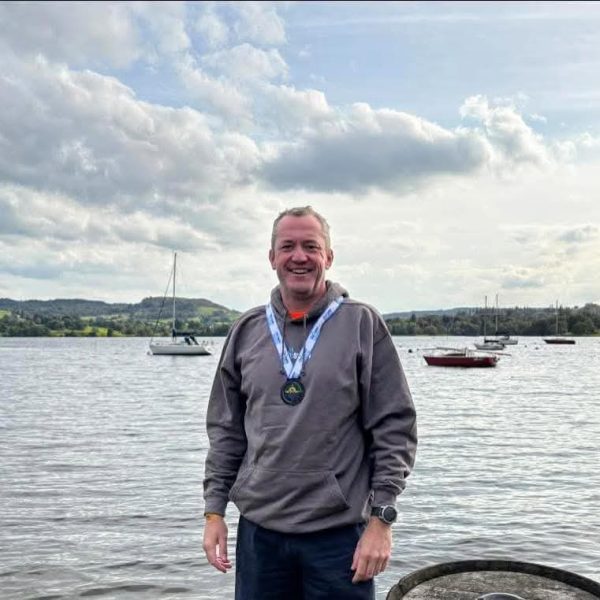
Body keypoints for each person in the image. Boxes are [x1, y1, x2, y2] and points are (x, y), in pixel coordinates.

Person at [203, 206, 417, 600]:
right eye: (287, 246)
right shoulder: (247, 331)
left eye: (310, 246)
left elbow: (394, 428)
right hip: (259, 536)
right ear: (272, 258)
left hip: (339, 538)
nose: (299, 256)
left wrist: (381, 520)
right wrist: (214, 511)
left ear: (328, 257)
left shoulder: (362, 324)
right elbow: (226, 431)